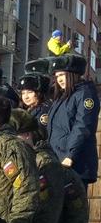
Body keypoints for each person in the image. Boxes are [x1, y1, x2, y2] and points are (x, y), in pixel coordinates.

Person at [45, 53, 99, 184]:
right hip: (58, 160)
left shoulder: (85, 94)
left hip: (75, 163)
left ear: (73, 74)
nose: (59, 80)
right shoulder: (62, 97)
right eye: (57, 76)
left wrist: (70, 155)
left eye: (62, 75)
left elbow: (83, 126)